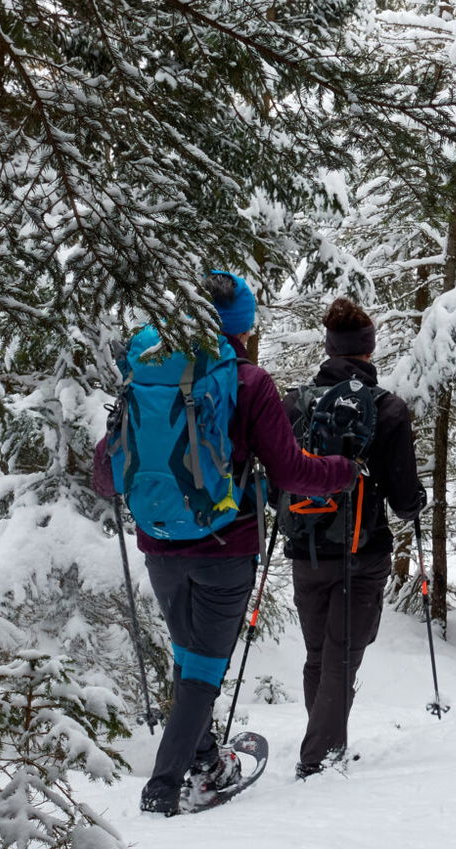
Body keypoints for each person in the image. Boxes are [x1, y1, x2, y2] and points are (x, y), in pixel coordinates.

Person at [93, 271, 357, 816]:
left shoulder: (148, 371)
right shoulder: (248, 381)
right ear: (241, 327)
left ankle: (207, 762)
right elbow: (290, 471)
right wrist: (343, 471)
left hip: (159, 540)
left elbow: (105, 471)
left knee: (189, 658)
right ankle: (163, 788)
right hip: (224, 546)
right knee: (203, 669)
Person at [282, 298, 424, 779]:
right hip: (363, 551)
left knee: (320, 656)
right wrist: (416, 503)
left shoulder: (295, 403)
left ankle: (327, 745)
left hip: (306, 547)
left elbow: (278, 476)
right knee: (342, 656)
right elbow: (404, 498)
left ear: (329, 347)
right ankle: (318, 757)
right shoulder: (386, 407)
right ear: (369, 349)